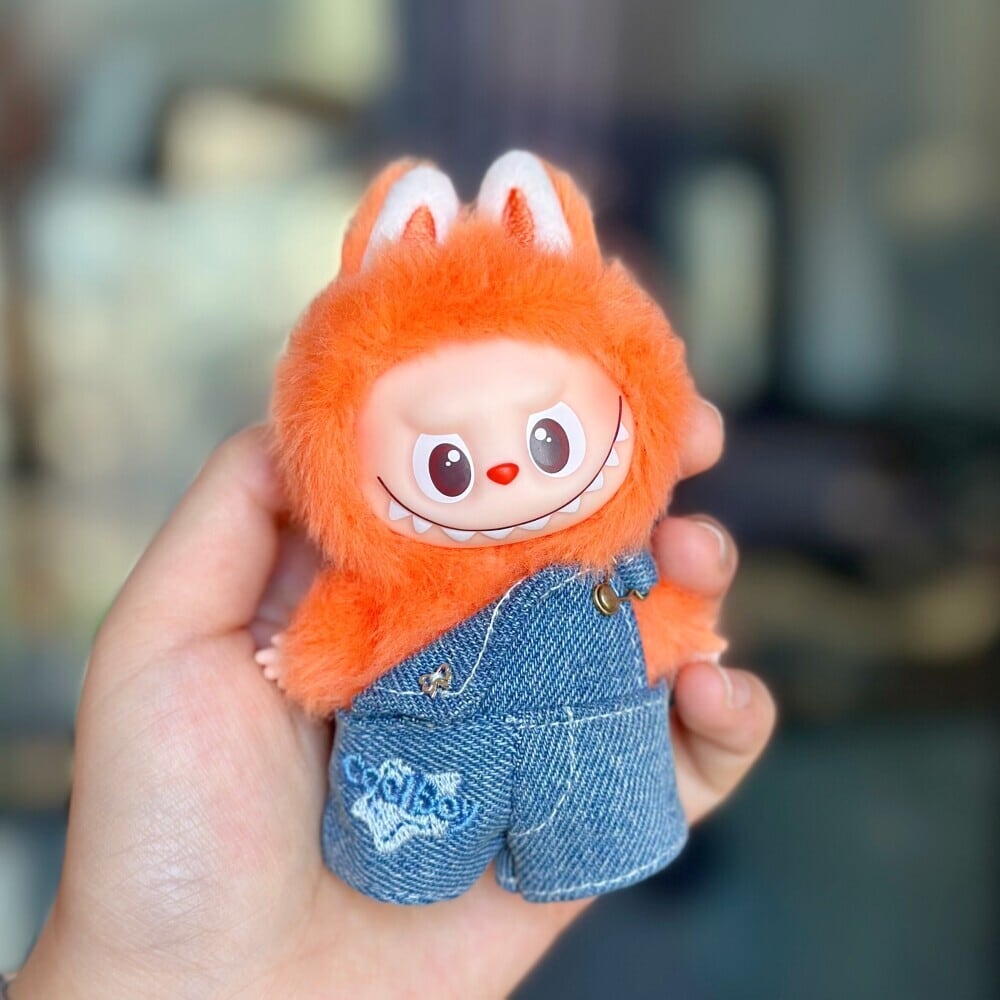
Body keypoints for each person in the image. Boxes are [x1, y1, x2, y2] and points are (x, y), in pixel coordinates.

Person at [11, 415, 774, 998]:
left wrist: (686, 641)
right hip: (422, 767)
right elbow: (345, 630)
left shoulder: (612, 560)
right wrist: (302, 660)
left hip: (593, 755)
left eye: (549, 439)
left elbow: (656, 619)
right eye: (448, 464)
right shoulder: (386, 576)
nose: (505, 472)